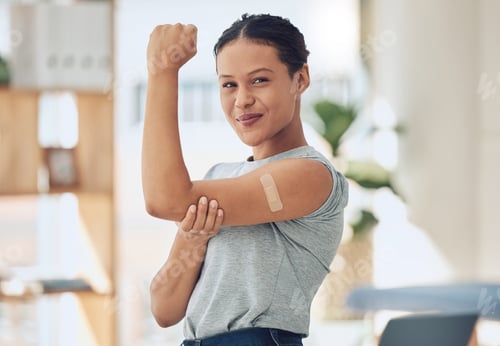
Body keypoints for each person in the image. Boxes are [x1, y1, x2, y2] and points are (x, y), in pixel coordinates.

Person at [142, 13, 349, 346]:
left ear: (300, 79)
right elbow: (164, 309)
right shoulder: (218, 179)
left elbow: (162, 199)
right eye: (229, 84)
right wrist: (194, 242)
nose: (242, 100)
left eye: (259, 80)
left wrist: (162, 72)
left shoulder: (310, 174)